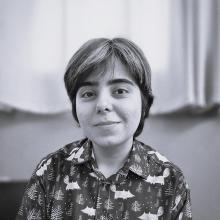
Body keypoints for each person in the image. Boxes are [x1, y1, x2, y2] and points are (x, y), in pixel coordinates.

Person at [16, 38, 192, 220]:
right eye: (88, 94)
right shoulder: (50, 171)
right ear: (75, 106)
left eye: (120, 91)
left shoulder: (171, 180)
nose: (102, 105)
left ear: (143, 102)